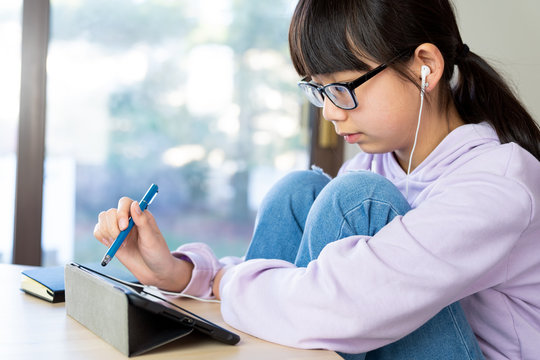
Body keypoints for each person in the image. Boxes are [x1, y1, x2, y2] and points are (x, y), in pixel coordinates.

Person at [94, 0, 540, 358]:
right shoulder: (376, 165)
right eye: (318, 91)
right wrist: (181, 273)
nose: (329, 112)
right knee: (300, 192)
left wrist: (223, 284)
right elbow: (306, 287)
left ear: (425, 65)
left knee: (352, 200)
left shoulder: (497, 184)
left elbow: (340, 303)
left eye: (343, 88)